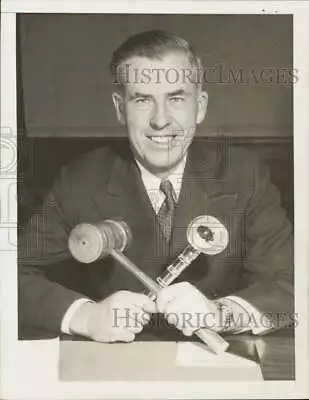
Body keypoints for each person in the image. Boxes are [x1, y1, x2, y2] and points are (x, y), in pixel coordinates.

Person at [18, 30, 294, 343]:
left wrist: (221, 314)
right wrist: (85, 315)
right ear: (120, 108)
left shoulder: (245, 176)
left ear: (200, 106)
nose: (161, 120)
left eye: (176, 98)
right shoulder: (80, 180)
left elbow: (291, 282)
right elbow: (12, 275)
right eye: (142, 100)